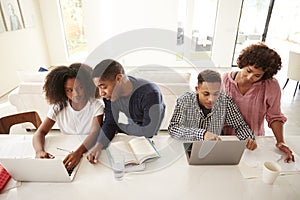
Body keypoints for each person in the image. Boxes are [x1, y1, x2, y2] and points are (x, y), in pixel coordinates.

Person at [222, 42, 294, 162]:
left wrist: (280, 141)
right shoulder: (225, 80)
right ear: (243, 63)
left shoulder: (271, 85)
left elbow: (275, 116)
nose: (250, 77)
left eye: (257, 75)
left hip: (253, 141)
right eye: (248, 70)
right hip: (227, 139)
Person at [86, 59, 165, 163]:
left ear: (118, 78)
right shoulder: (110, 96)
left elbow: (149, 131)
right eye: (99, 88)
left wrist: (119, 127)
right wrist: (98, 145)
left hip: (150, 131)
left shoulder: (150, 93)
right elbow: (110, 122)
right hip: (133, 123)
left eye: (103, 87)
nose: (101, 93)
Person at [33, 63, 104, 170]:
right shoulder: (58, 107)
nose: (76, 94)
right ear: (63, 91)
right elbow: (40, 132)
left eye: (79, 87)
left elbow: (95, 133)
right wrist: (39, 151)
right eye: (69, 90)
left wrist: (78, 153)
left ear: (86, 86)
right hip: (66, 151)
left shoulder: (96, 106)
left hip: (89, 150)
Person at [168, 69, 257, 150]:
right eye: (206, 94)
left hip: (215, 149)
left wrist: (248, 138)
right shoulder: (185, 100)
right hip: (187, 147)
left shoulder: (226, 102)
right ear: (197, 89)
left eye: (216, 94)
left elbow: (240, 126)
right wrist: (203, 134)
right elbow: (174, 128)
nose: (211, 99)